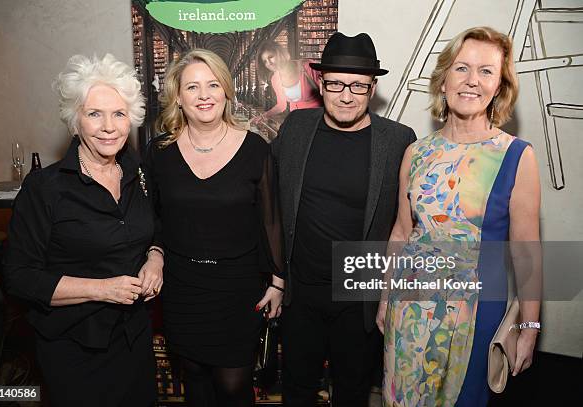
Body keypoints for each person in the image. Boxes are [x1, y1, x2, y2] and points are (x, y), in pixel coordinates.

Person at [377, 26, 542, 406]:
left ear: (500, 86)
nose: (472, 81)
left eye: (486, 71)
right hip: (409, 306)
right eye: (461, 68)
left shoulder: (517, 155)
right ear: (444, 78)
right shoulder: (416, 153)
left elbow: (527, 251)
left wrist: (530, 327)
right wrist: (385, 297)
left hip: (475, 311)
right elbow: (402, 232)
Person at [3, 54, 162, 407]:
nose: (109, 126)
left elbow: (155, 229)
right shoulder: (45, 188)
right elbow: (20, 277)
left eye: (119, 114)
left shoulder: (140, 174)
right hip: (73, 348)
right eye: (94, 114)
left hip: (134, 342)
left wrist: (156, 258)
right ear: (76, 120)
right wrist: (103, 290)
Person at [271, 32, 416, 406]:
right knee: (297, 390)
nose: (346, 95)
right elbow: (269, 201)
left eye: (358, 86)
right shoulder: (296, 128)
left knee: (352, 392)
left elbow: (406, 224)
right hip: (301, 293)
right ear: (320, 82)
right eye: (336, 83)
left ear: (373, 87)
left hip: (360, 298)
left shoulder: (399, 140)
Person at [145, 48, 284, 406]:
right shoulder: (159, 152)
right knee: (193, 376)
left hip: (238, 288)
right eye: (192, 87)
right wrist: (155, 255)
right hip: (183, 287)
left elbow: (271, 221)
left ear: (226, 91)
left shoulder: (256, 149)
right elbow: (153, 218)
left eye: (212, 85)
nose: (204, 95)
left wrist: (278, 282)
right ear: (178, 96)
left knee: (233, 385)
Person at [252, 41, 323, 124]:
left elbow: (328, 93)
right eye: (265, 61)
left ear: (280, 53)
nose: (269, 63)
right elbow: (281, 105)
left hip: (318, 121)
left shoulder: (308, 67)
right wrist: (264, 116)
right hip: (297, 123)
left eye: (271, 57)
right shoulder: (275, 79)